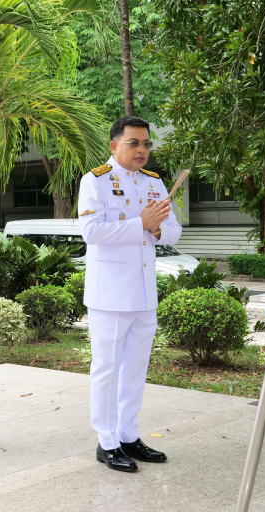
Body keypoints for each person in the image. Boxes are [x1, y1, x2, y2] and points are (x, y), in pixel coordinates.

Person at [78, 116, 182, 472]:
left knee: (135, 368)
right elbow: (91, 231)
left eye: (146, 144)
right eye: (134, 143)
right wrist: (141, 222)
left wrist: (154, 230)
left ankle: (128, 434)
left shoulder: (154, 182)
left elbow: (173, 231)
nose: (142, 151)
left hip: (143, 292)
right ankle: (106, 441)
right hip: (109, 293)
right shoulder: (96, 181)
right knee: (107, 368)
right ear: (114, 145)